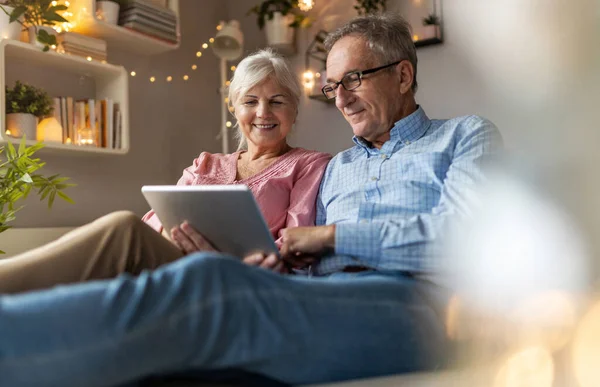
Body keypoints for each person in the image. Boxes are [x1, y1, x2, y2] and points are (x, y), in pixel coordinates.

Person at [0, 13, 503, 386]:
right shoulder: (340, 166)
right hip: (315, 295)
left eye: (354, 79)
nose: (342, 97)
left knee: (210, 284)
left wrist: (330, 237)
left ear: (403, 75)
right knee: (135, 239)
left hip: (417, 302)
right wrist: (281, 258)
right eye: (333, 85)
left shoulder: (464, 137)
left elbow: (466, 245)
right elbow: (298, 255)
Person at [0, 49, 331, 294]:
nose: (263, 113)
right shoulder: (206, 163)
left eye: (277, 101)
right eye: (250, 101)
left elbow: (297, 248)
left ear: (294, 108)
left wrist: (239, 262)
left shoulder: (309, 164)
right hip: (178, 263)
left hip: (241, 281)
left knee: (123, 229)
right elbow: (155, 223)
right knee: (125, 235)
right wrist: (177, 240)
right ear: (234, 108)